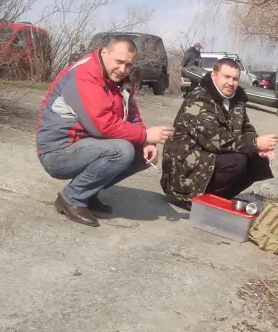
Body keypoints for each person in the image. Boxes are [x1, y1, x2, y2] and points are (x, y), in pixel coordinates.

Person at [36, 36, 175, 227]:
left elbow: (131, 115)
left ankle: (88, 193)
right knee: (122, 150)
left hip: (86, 145)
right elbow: (101, 125)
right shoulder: (85, 74)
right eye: (119, 62)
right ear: (104, 52)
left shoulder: (120, 80)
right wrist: (145, 135)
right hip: (57, 152)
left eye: (128, 65)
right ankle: (71, 199)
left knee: (142, 156)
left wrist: (146, 142)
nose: (123, 69)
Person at [161, 57, 278, 210]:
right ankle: (190, 198)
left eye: (235, 79)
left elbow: (246, 128)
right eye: (226, 77)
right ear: (214, 75)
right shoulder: (199, 99)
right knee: (237, 161)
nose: (231, 83)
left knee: (257, 160)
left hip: (209, 157)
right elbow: (215, 140)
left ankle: (218, 198)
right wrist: (255, 143)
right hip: (185, 165)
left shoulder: (236, 99)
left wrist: (260, 148)